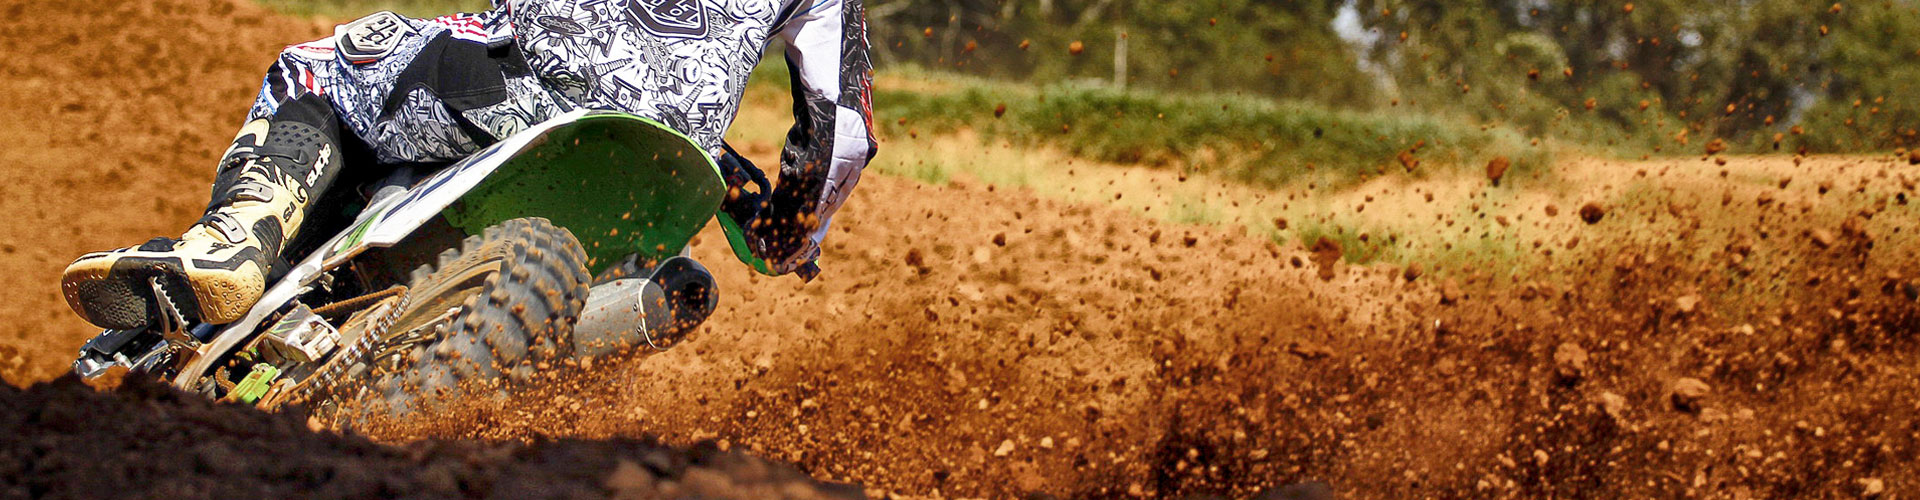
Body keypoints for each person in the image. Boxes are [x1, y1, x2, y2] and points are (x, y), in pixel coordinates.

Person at [59, 0, 876, 330]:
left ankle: (231, 244)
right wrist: (784, 236)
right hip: (675, 156)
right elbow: (842, 135)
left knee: (313, 72)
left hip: (522, 81)